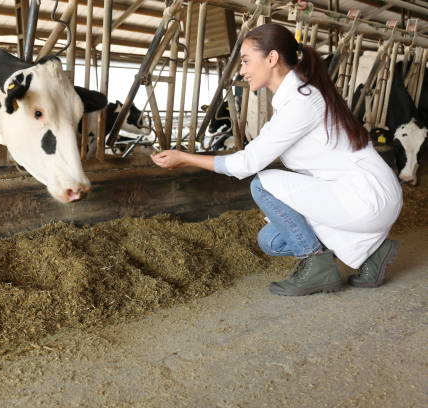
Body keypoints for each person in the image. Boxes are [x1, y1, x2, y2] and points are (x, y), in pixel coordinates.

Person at [151, 23, 403, 296]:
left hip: (367, 197)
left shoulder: (301, 102)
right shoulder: (295, 98)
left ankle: (318, 266)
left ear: (271, 58)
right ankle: (373, 253)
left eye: (246, 61)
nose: (243, 70)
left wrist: (184, 158)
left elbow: (246, 164)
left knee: (262, 184)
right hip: (355, 194)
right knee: (271, 240)